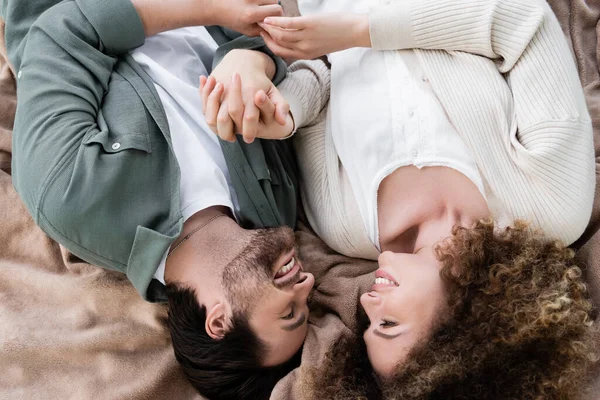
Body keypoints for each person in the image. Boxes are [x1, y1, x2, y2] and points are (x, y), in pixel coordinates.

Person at [205, 0, 600, 397]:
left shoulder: (342, 226)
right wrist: (360, 31)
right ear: (466, 329)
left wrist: (287, 113)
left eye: (369, 326)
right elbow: (522, 23)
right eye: (389, 324)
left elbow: (325, 73)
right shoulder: (551, 208)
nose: (369, 306)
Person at [1, 0, 318, 398]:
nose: (306, 284)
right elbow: (272, 54)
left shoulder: (72, 201)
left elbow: (61, 30)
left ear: (218, 321)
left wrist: (209, 9)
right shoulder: (276, 207)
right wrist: (252, 62)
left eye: (290, 312)